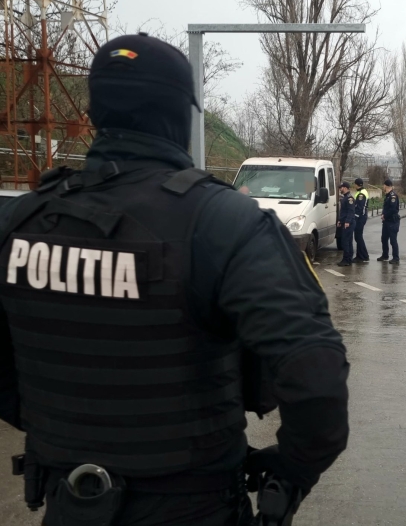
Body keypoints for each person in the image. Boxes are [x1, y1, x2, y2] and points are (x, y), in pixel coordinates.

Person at [0, 33, 349, 526]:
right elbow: (316, 376)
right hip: (197, 504)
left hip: (66, 500)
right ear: (180, 115)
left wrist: (61, 435)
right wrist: (291, 469)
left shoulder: (19, 221)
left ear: (96, 113)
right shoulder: (224, 222)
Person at [377, 179, 400, 264]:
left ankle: (396, 257)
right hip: (386, 221)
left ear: (386, 186)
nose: (383, 187)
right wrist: (383, 214)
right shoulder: (387, 195)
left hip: (393, 222)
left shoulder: (393, 196)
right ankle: (385, 255)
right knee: (384, 239)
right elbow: (386, 208)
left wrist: (384, 215)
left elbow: (393, 209)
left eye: (384, 185)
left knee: (393, 240)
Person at [337, 181, 356, 267]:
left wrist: (347, 222)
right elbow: (343, 212)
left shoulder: (349, 198)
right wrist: (340, 221)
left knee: (345, 241)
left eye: (341, 188)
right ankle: (349, 259)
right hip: (345, 222)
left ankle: (346, 259)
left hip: (349, 223)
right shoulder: (345, 197)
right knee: (348, 241)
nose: (340, 189)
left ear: (345, 188)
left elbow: (350, 211)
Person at [352, 178, 370, 263]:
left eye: (355, 184)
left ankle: (363, 256)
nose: (354, 185)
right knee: (358, 237)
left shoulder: (361, 194)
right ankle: (361, 255)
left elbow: (360, 208)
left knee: (358, 237)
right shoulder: (360, 192)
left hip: (360, 217)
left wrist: (356, 217)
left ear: (357, 184)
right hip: (360, 217)